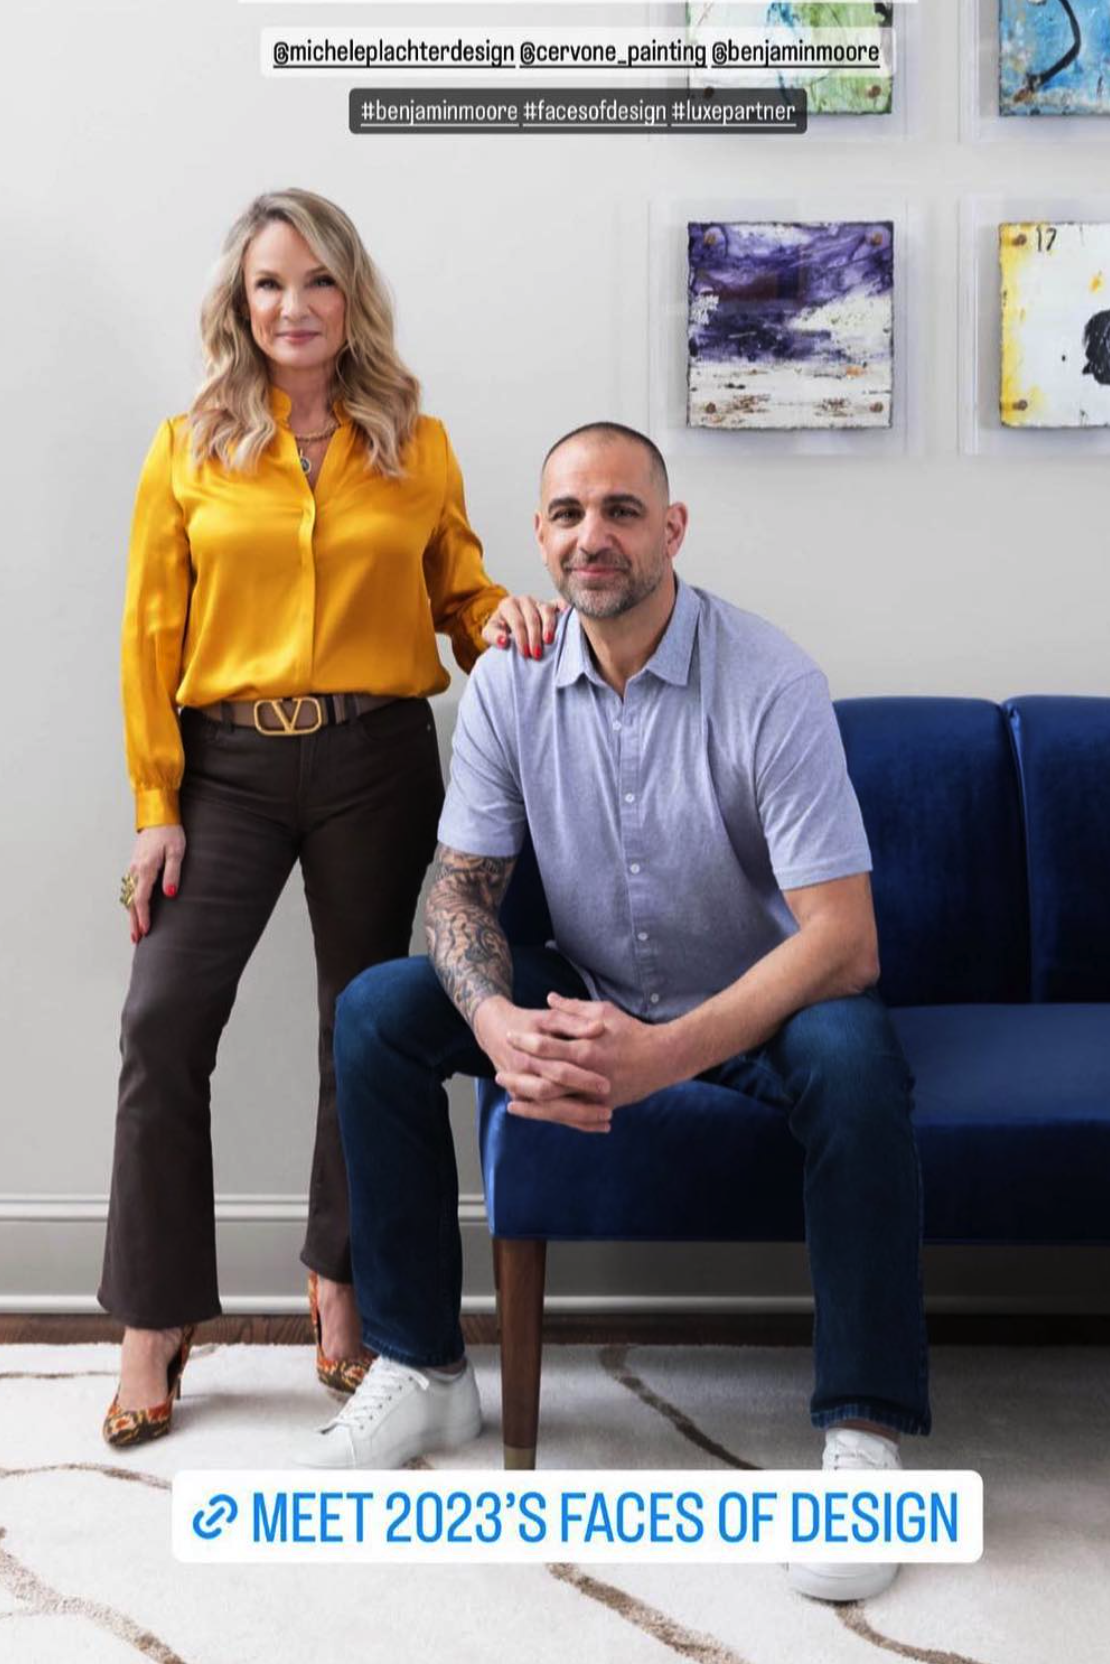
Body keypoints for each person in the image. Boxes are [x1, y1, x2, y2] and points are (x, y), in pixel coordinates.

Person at [301, 420, 931, 1605]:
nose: (595, 536)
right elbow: (458, 893)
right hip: (589, 987)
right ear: (539, 537)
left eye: (623, 511)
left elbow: (845, 942)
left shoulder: (771, 679)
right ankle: (425, 1369)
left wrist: (663, 1058)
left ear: (672, 529)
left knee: (855, 1056)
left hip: (760, 998)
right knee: (382, 1010)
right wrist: (494, 1025)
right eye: (568, 514)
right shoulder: (510, 678)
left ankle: (864, 1439)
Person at [98, 188, 557, 1447]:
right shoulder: (186, 446)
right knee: (163, 1018)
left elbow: (457, 592)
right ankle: (155, 1320)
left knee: (363, 1031)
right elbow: (149, 636)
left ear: (350, 297)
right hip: (226, 772)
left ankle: (340, 1294)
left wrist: (501, 616)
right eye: (267, 286)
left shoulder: (418, 440)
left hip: (379, 762)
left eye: (315, 282)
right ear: (239, 307)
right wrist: (155, 804)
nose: (292, 307)